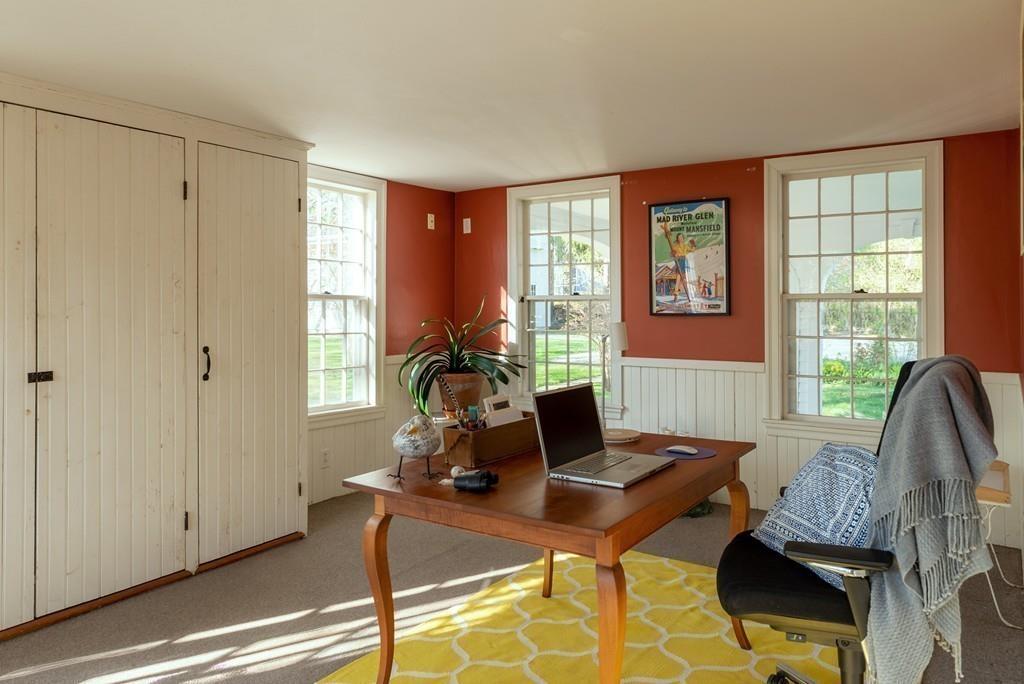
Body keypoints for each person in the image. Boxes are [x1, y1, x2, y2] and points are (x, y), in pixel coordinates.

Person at [660, 224, 697, 303]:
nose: (680, 239)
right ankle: (678, 294)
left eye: (681, 237)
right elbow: (671, 253)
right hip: (679, 261)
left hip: (684, 261)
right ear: (677, 239)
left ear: (683, 238)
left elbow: (692, 250)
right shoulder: (675, 246)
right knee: (679, 279)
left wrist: (694, 245)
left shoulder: (685, 246)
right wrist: (674, 254)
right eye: (679, 238)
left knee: (682, 279)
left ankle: (679, 294)